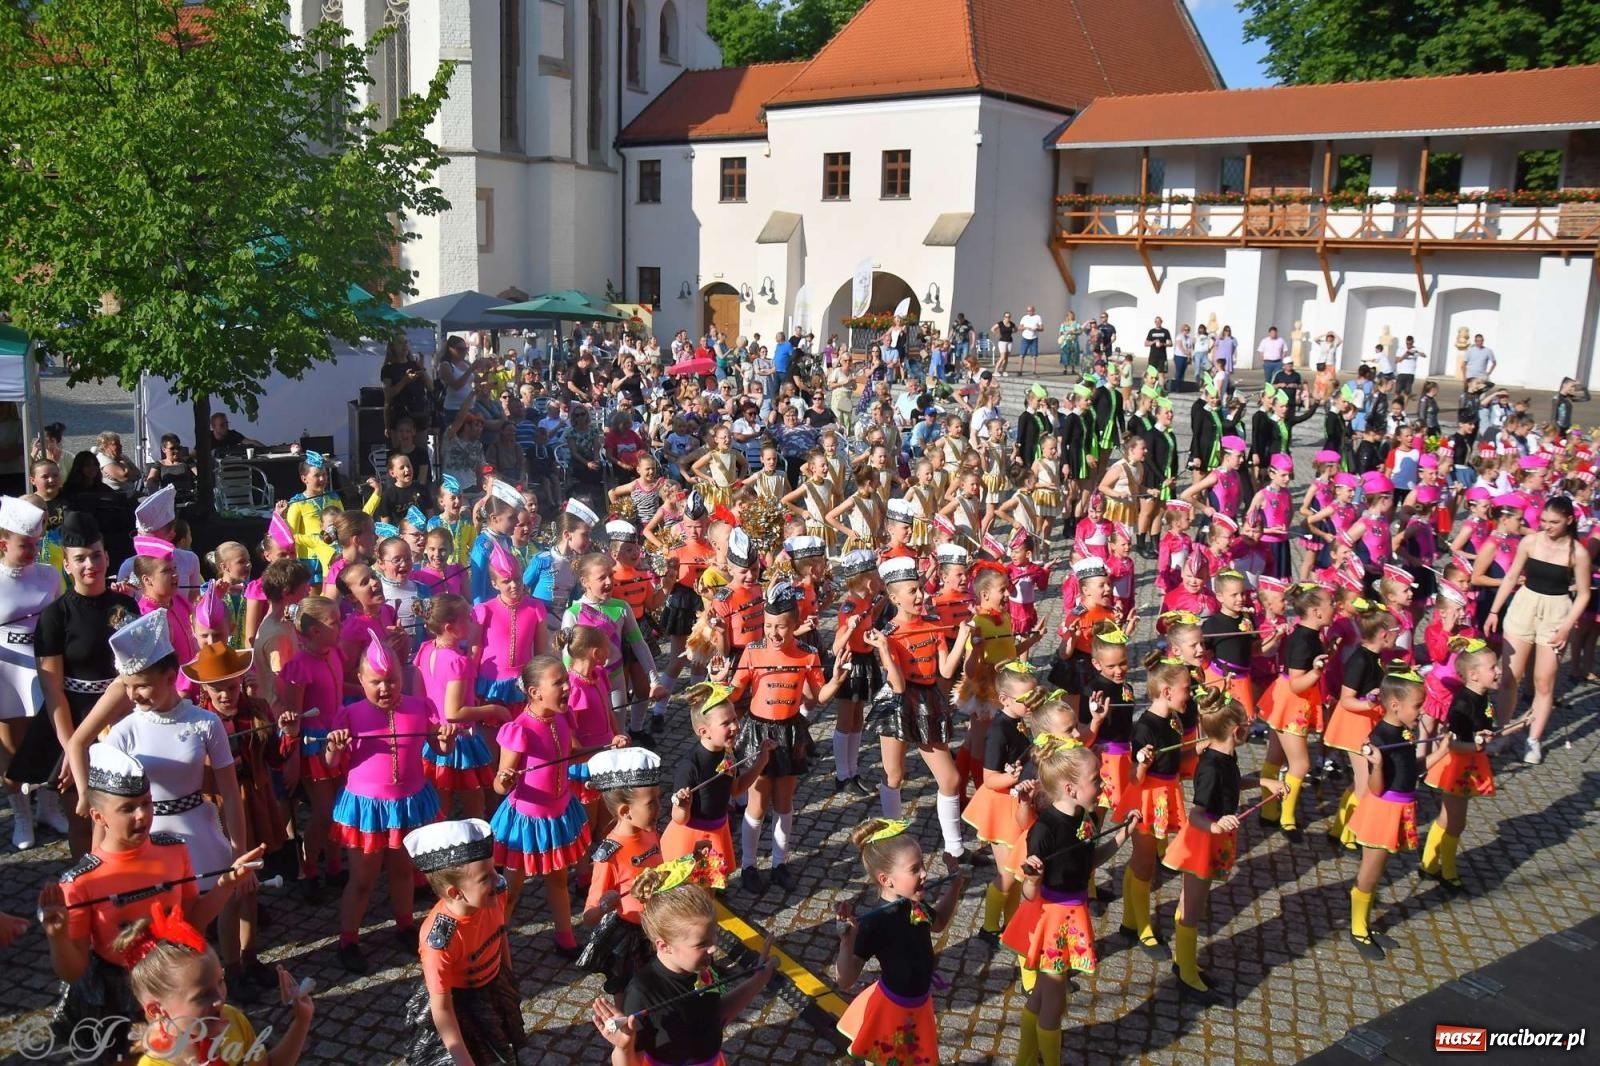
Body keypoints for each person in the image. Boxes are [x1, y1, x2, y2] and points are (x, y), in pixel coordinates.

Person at [38, 744, 262, 1066]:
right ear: (99, 816)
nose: (142, 815)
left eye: (146, 803)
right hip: (118, 997)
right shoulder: (79, 882)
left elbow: (192, 923)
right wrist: (57, 937)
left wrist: (225, 885)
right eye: (128, 809)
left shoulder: (173, 852)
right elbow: (73, 971)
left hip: (176, 987)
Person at [322, 634, 452, 974]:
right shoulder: (349, 714)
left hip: (409, 802)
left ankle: (405, 925)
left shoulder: (420, 707)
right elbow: (329, 764)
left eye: (391, 680)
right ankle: (348, 940)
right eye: (376, 682)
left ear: (401, 678)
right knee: (363, 879)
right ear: (361, 680)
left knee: (403, 870)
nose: (385, 688)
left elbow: (439, 752)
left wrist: (444, 740)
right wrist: (334, 746)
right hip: (367, 808)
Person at [1006, 742, 1138, 1062]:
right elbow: (1028, 895)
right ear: (1071, 789)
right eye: (1096, 779)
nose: (1104, 783)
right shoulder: (1044, 831)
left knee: (1040, 998)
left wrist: (1124, 835)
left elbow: (1089, 862)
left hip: (1073, 912)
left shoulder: (1085, 817)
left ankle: (1025, 1060)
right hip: (1052, 920)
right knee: (1054, 1004)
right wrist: (1033, 879)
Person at [590, 853, 776, 1065]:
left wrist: (758, 980)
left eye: (713, 936)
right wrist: (623, 1047)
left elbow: (714, 1015)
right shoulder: (644, 991)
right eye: (701, 944)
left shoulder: (702, 966)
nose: (714, 948)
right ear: (663, 945)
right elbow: (631, 1060)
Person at [834, 818, 967, 1066]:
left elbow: (938, 923)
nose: (925, 873)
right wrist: (846, 941)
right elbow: (845, 980)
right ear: (886, 880)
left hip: (918, 1006)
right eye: (915, 869)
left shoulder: (914, 905)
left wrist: (955, 887)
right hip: (891, 1012)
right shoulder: (876, 923)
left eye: (923, 865)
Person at [402, 818, 526, 1066]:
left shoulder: (495, 895)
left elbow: (500, 937)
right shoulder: (439, 940)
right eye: (484, 878)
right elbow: (442, 1010)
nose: (498, 880)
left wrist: (508, 980)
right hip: (458, 1006)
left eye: (494, 870)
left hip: (492, 986)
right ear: (455, 893)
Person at [1484, 496, 1590, 765]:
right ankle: (1502, 732)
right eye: (1543, 521)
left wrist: (1567, 627)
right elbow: (1510, 577)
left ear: (1569, 520)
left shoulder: (1578, 553)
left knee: (1544, 682)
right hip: (1524, 607)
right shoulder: (1530, 542)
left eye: (1553, 522)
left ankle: (1533, 738)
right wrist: (1494, 611)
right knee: (1509, 676)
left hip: (1556, 613)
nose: (1547, 526)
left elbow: (1584, 595)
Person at [1346, 669, 1435, 960]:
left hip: (1399, 808)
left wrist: (1445, 748)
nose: (1421, 712)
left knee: (1378, 872)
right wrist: (1378, 764)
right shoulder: (1380, 737)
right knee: (1369, 874)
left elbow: (1415, 768)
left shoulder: (1404, 732)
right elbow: (1375, 788)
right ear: (1395, 705)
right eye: (1418, 706)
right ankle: (1358, 929)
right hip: (1382, 811)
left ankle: (1366, 924)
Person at [0, 496, 62, 850]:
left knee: (51, 741)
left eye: (36, 544)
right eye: (25, 545)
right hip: (6, 671)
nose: (32, 551)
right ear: (3, 543)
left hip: (44, 666)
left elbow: (57, 620)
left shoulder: (49, 575)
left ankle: (48, 808)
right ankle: (21, 816)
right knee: (12, 748)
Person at [1144, 315, 1172, 384]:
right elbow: (1146, 343)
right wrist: (1153, 342)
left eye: (1159, 321)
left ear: (1161, 322)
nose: (1157, 323)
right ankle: (1149, 387)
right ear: (1154, 322)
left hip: (1162, 356)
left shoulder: (1165, 331)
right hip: (1153, 355)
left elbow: (1170, 343)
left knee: (1161, 374)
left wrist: (1163, 344)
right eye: (1156, 321)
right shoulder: (1151, 331)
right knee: (1150, 373)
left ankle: (1161, 390)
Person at [1018, 305, 1044, 376]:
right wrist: (1025, 327)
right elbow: (1019, 327)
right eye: (1028, 311)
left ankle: (1034, 371)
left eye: (1030, 311)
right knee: (1022, 355)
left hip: (1034, 338)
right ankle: (1020, 370)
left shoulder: (1037, 317)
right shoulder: (1024, 317)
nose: (1029, 312)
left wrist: (1036, 329)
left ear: (1033, 310)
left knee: (1034, 356)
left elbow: (1042, 328)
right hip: (1025, 338)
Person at [991, 312, 1017, 377]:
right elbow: (992, 329)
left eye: (1009, 317)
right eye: (1006, 316)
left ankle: (1003, 371)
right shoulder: (1000, 323)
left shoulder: (1011, 324)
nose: (1007, 318)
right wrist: (997, 333)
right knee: (1002, 357)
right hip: (1002, 341)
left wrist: (1012, 331)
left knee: (1006, 358)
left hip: (1009, 341)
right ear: (1004, 317)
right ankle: (996, 371)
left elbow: (1016, 329)